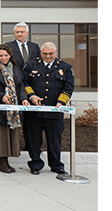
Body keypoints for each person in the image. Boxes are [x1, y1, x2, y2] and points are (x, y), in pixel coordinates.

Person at [23, 42, 74, 175]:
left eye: (51, 53)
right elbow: (24, 82)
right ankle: (35, 164)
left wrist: (61, 102)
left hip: (55, 112)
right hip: (34, 112)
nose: (48, 56)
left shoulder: (65, 67)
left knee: (54, 139)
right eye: (45, 54)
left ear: (56, 52)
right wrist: (32, 96)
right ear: (41, 52)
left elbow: (68, 87)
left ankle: (56, 165)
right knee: (33, 139)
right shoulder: (31, 65)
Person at [0, 44, 30, 173]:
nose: (4, 58)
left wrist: (24, 98)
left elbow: (20, 86)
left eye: (6, 55)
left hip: (13, 109)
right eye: (1, 55)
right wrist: (1, 97)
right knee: (1, 136)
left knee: (11, 135)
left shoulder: (16, 69)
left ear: (10, 56)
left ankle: (7, 161)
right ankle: (1, 161)